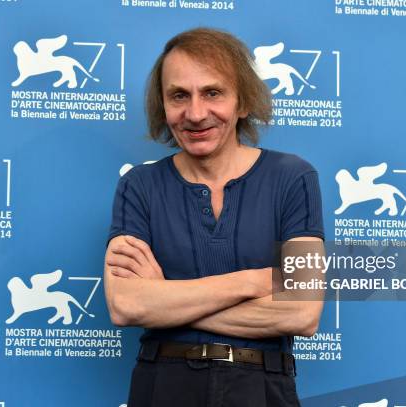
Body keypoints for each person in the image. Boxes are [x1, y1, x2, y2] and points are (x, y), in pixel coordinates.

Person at [104, 27, 325, 407]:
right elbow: (127, 305)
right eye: (178, 96)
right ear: (163, 105)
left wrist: (166, 301)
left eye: (212, 93)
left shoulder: (294, 178)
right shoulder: (139, 185)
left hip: (262, 388)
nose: (195, 113)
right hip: (163, 386)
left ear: (242, 101)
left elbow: (302, 311)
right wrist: (256, 280)